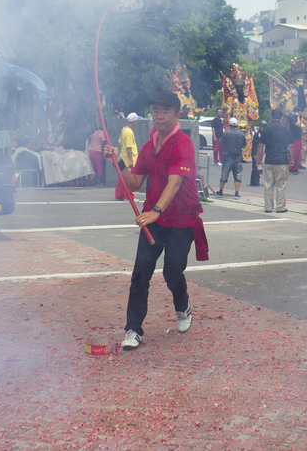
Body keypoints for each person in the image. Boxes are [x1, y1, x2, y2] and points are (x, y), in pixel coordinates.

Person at [103, 90, 209, 351]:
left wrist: (157, 211)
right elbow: (135, 183)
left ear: (176, 115)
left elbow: (175, 182)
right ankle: (133, 329)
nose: (159, 116)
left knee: (173, 271)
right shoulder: (150, 145)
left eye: (165, 111)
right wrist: (117, 161)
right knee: (140, 274)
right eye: (156, 111)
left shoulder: (182, 144)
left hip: (181, 218)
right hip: (154, 216)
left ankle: (182, 306)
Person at [259, 109, 293, 213]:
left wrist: (258, 159)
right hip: (282, 161)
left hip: (269, 160)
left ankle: (268, 207)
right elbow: (291, 146)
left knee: (268, 184)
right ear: (281, 118)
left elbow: (260, 145)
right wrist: (292, 159)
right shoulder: (286, 129)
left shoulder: (265, 129)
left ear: (271, 117)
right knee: (281, 185)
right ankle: (280, 207)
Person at [216, 117, 246, 198]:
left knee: (224, 175)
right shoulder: (241, 134)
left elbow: (221, 143)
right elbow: (244, 145)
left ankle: (221, 192)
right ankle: (236, 193)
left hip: (228, 157)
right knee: (238, 175)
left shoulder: (226, 133)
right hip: (238, 157)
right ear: (237, 125)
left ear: (229, 125)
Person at [115, 113, 141, 201]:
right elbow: (128, 147)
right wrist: (131, 160)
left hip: (123, 157)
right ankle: (129, 197)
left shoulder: (124, 129)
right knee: (128, 178)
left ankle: (119, 195)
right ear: (133, 121)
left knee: (121, 178)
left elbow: (122, 143)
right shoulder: (129, 132)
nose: (137, 122)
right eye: (136, 120)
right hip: (128, 159)